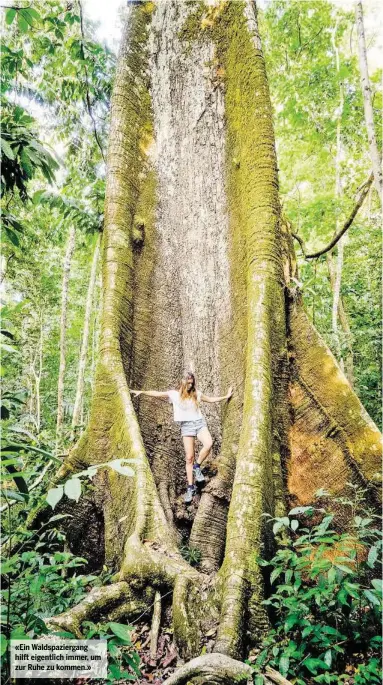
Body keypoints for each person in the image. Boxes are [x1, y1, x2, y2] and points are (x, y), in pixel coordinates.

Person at [131, 372, 232, 503]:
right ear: (183, 382)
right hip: (186, 427)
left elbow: (211, 399)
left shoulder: (197, 394)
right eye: (188, 382)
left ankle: (197, 467)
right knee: (189, 457)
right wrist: (142, 392)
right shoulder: (174, 395)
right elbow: (157, 393)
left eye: (192, 382)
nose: (190, 385)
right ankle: (191, 488)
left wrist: (226, 396)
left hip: (199, 423)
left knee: (208, 444)